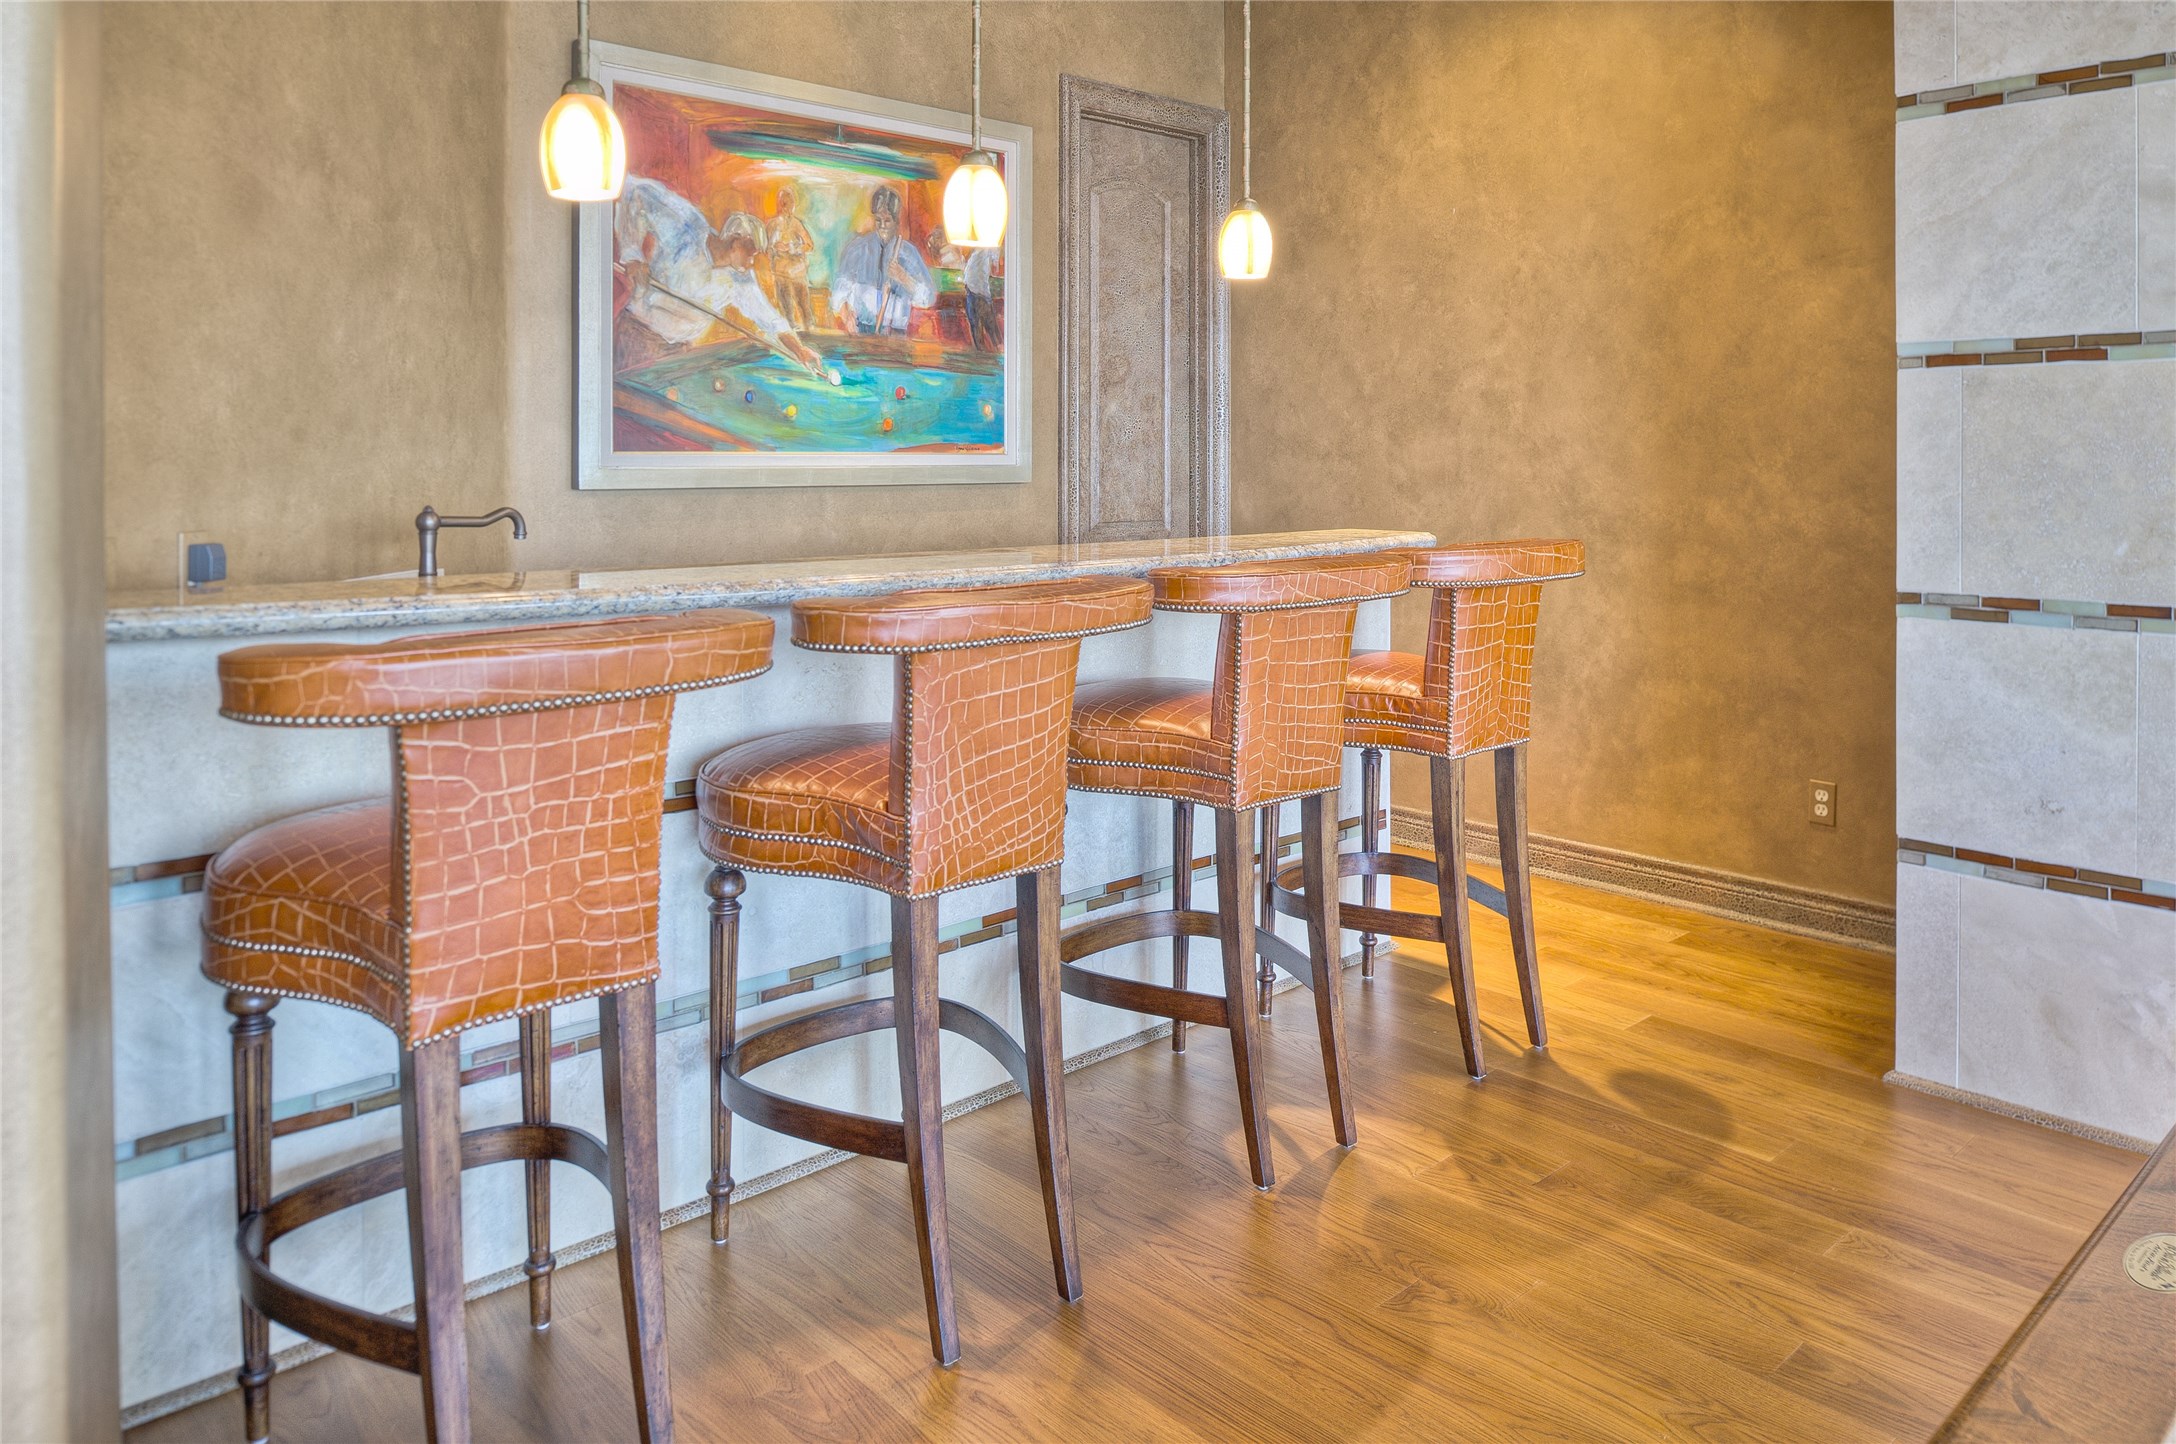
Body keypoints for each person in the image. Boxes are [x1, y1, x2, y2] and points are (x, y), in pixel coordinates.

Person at [613, 177, 824, 378]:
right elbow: (636, 192)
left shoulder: (739, 280)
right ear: (735, 240)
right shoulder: (688, 226)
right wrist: (632, 255)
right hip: (637, 336)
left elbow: (769, 318)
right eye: (751, 251)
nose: (752, 261)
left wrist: (800, 350)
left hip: (679, 352)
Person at [830, 185, 934, 336]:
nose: (882, 226)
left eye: (887, 220)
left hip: (896, 333)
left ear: (897, 221)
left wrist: (904, 277)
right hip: (862, 329)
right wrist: (846, 315)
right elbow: (838, 293)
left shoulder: (909, 253)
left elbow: (928, 298)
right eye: (878, 220)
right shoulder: (858, 249)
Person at [767, 185, 816, 331]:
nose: (785, 207)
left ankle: (809, 329)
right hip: (780, 273)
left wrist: (791, 247)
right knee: (786, 308)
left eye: (788, 203)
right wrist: (773, 249)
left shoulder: (796, 224)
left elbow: (810, 246)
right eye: (782, 203)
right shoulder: (772, 225)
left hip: (797, 273)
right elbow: (766, 248)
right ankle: (790, 331)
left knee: (804, 306)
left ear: (793, 205)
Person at [963, 244, 1000, 352]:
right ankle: (984, 350)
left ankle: (997, 349)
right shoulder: (977, 249)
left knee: (987, 323)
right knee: (976, 323)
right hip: (972, 290)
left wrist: (995, 263)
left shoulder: (988, 246)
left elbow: (995, 266)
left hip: (980, 292)